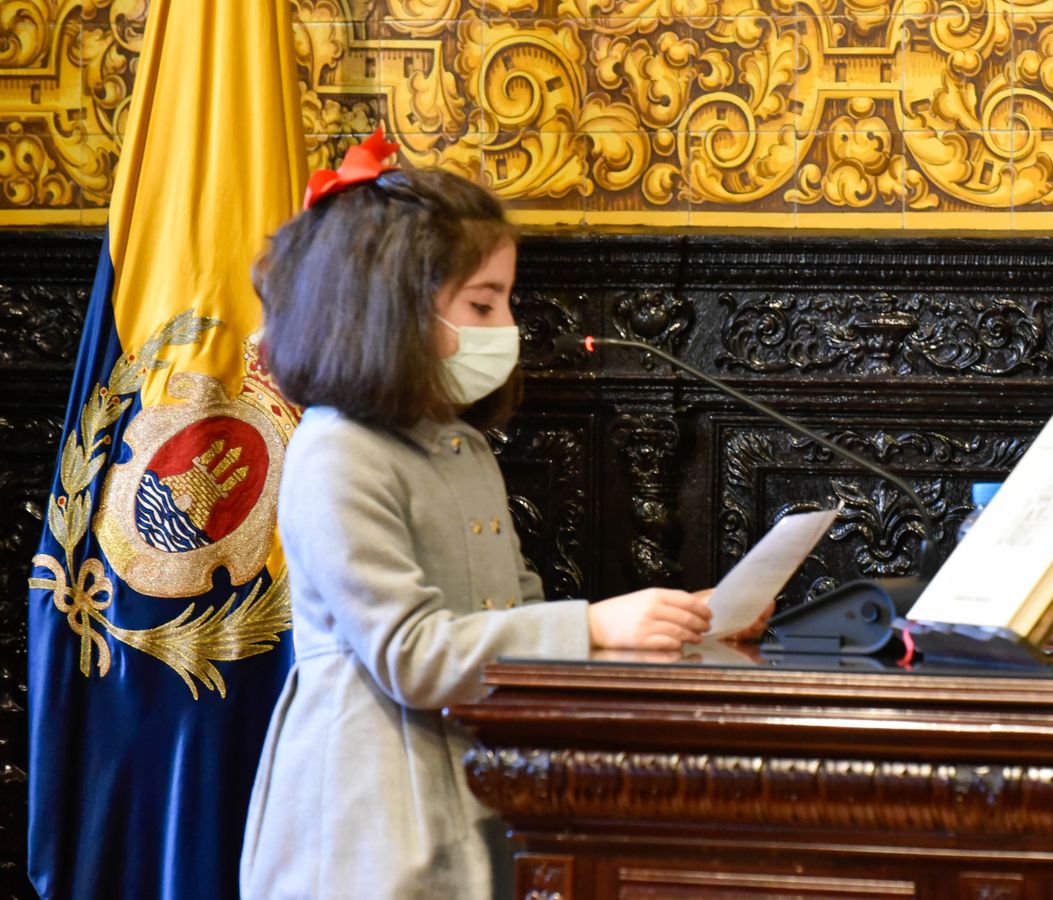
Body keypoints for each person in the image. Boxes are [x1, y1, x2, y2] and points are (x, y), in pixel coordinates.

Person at [239, 132, 761, 899]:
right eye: (484, 303)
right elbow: (411, 655)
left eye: (505, 300)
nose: (505, 324)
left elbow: (511, 624)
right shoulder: (337, 452)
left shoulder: (459, 445)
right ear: (393, 308)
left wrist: (680, 629)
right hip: (371, 816)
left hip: (477, 781)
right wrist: (593, 626)